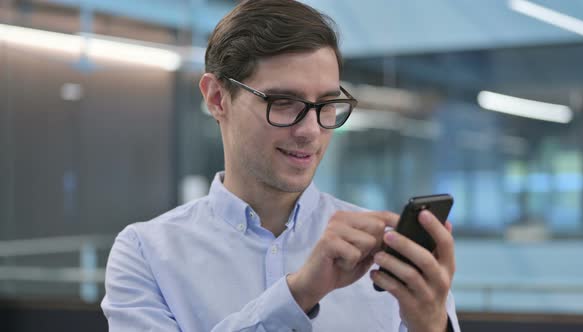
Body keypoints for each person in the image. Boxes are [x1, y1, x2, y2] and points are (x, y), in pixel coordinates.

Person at [101, 0, 460, 331]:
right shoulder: (145, 254)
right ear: (216, 98)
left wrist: (432, 326)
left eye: (327, 103)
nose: (311, 131)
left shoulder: (382, 254)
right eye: (285, 102)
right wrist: (298, 294)